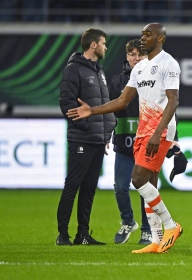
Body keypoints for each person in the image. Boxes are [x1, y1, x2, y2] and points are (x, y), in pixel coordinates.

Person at [66, 23, 183, 254]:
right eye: (142, 34)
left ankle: (171, 226)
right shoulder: (140, 69)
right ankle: (157, 241)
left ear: (160, 38)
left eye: (148, 35)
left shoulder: (169, 63)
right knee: (149, 185)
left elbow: (174, 100)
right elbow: (121, 101)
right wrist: (93, 110)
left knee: (138, 179)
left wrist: (158, 132)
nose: (143, 38)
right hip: (143, 131)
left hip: (159, 131)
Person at [57, 28, 116, 246]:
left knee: (89, 188)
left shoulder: (98, 71)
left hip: (97, 139)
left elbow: (103, 106)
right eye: (103, 43)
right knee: (72, 185)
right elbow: (67, 103)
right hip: (82, 138)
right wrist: (88, 126)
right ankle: (62, 235)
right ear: (93, 45)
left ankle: (82, 234)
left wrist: (104, 132)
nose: (105, 47)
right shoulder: (74, 70)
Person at [108, 39, 151, 245]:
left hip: (147, 143)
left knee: (145, 188)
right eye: (132, 54)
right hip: (124, 142)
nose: (136, 58)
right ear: (127, 57)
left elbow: (168, 110)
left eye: (140, 54)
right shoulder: (117, 82)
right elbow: (109, 111)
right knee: (120, 187)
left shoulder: (155, 79)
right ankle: (128, 221)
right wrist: (106, 134)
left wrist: (172, 139)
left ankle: (147, 228)